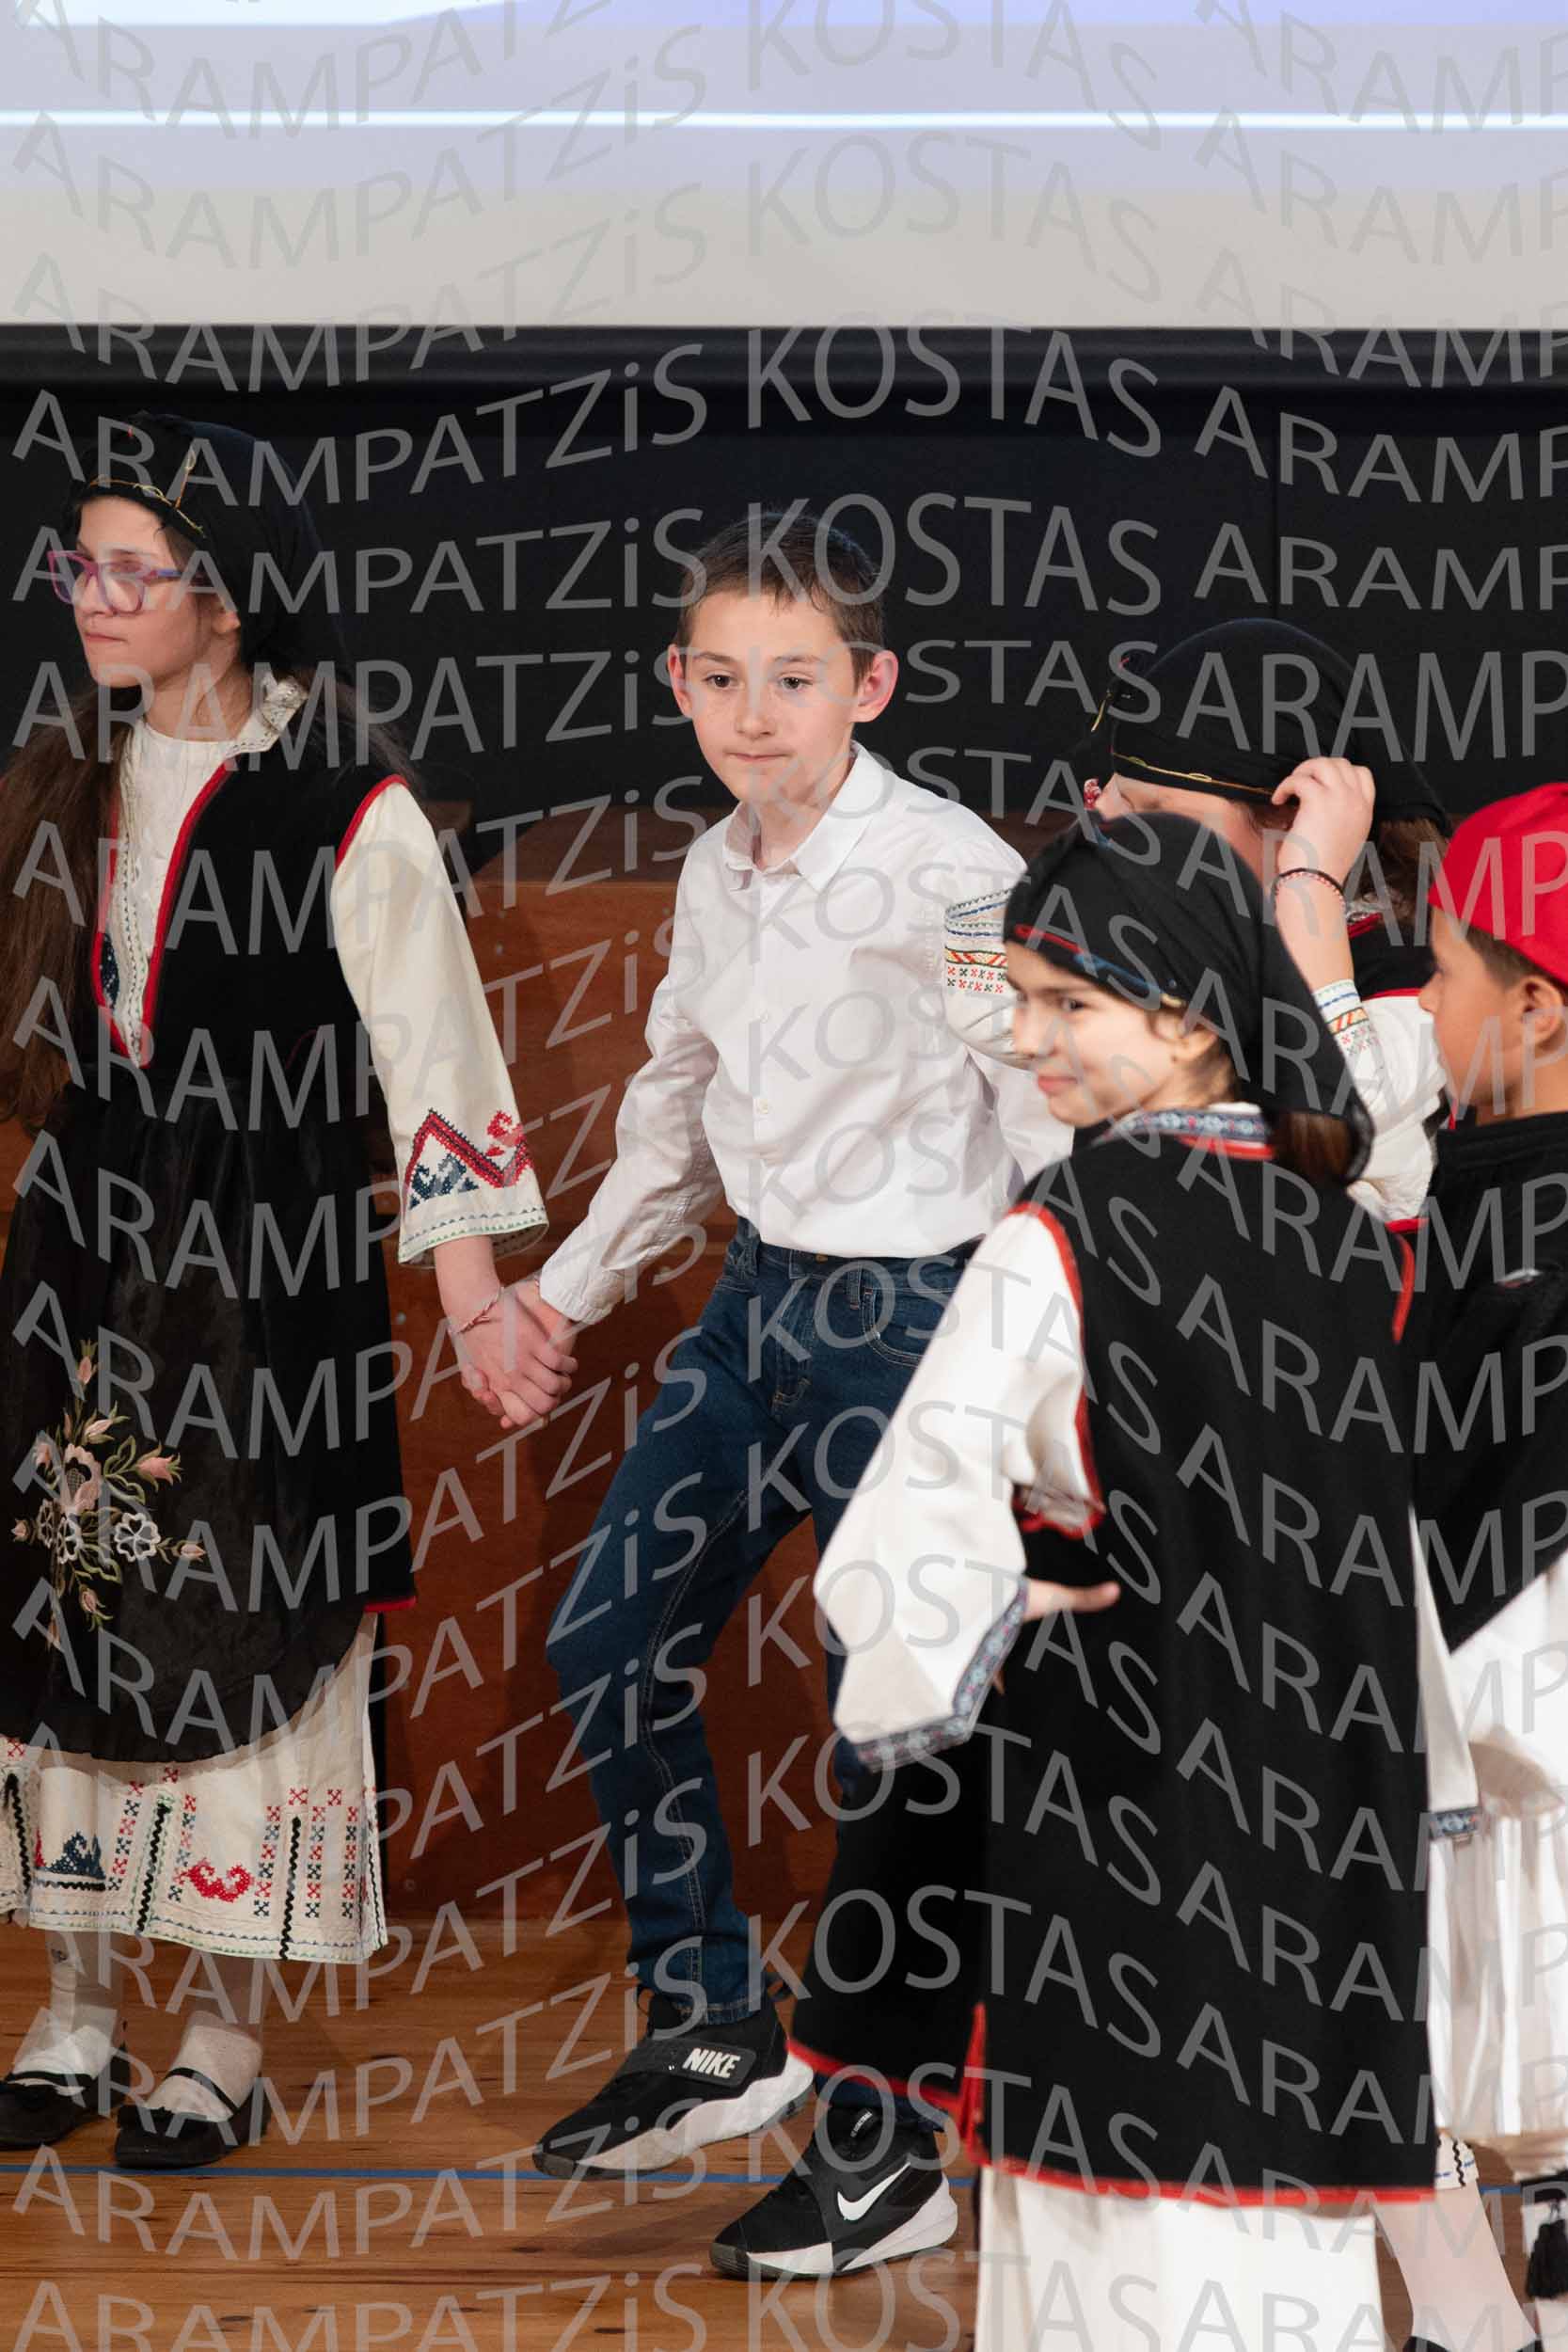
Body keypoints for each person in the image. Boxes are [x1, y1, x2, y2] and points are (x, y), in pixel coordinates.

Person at [470, 507, 1062, 2273]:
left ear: (867, 687)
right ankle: (715, 2019)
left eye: (793, 680)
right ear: (676, 681)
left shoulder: (952, 872)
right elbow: (673, 1110)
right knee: (607, 1637)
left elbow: (1036, 1116)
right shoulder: (714, 871)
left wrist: (1048, 1358)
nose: (753, 713)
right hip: (752, 1310)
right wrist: (553, 1298)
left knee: (896, 1728)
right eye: (721, 677)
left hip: (912, 1318)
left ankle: (889, 2143)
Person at [808, 812, 1481, 2346]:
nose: (1025, 1040)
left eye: (1066, 1003)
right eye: (1020, 1000)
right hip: (1317, 1814)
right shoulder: (1337, 1239)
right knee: (1282, 2213)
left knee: (1116, 2213)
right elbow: (1380, 1557)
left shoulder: (1054, 1238)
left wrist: (996, 1611)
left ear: (1184, 1015)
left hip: (1119, 1799)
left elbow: (908, 1518)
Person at [0, 410, 563, 2169]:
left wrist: (470, 1293)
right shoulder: (61, 778)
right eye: (80, 566)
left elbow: (432, 1055)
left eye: (130, 571)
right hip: (86, 1238)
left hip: (263, 1258)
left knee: (245, 1604)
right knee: (68, 1592)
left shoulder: (344, 805)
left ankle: (222, 2040)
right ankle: (75, 2009)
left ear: (227, 598)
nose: (92, 596)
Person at [945, 617, 1450, 1221]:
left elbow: (1345, 1097)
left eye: (1157, 810)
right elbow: (982, 1010)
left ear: (1290, 820)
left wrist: (1308, 889)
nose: (1118, 824)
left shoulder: (1416, 962)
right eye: (1116, 797)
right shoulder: (1149, 923)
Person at [1386, 784, 1568, 2352]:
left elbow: (1465, 1487)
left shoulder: (1518, 1208)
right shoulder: (1473, 1169)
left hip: (1506, 1715)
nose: (1418, 1005)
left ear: (1533, 1008)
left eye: (1438, 973)